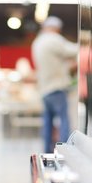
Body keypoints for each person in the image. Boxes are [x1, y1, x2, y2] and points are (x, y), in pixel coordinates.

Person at [32, 16, 78, 154]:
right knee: (64, 120)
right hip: (56, 87)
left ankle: (47, 150)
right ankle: (63, 151)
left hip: (44, 88)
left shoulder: (37, 42)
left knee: (47, 122)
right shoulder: (53, 39)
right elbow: (73, 50)